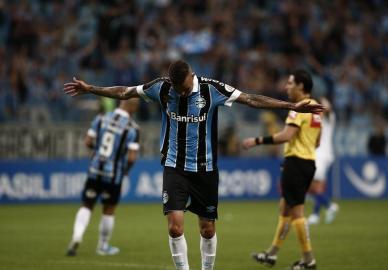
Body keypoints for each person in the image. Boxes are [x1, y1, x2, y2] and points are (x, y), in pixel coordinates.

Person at [64, 60, 324, 270]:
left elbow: (251, 99)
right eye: (177, 88)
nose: (180, 92)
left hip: (205, 169)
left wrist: (290, 106)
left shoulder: (212, 89)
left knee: (207, 229)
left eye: (184, 86)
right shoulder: (162, 88)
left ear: (192, 76)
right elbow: (124, 92)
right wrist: (91, 89)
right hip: (174, 167)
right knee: (175, 226)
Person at [242, 70, 321, 269]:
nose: (286, 87)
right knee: (284, 208)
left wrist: (257, 140)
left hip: (295, 162)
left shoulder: (299, 108)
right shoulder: (315, 109)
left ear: (301, 86)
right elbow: (318, 141)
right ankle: (272, 254)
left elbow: (286, 136)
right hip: (308, 161)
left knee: (297, 213)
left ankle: (309, 260)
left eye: (290, 83)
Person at [66, 98, 140, 256]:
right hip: (113, 174)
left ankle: (77, 236)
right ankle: (103, 246)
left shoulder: (101, 118)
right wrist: (126, 170)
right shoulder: (132, 128)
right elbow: (132, 157)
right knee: (108, 210)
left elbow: (87, 142)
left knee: (87, 205)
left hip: (95, 170)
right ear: (132, 107)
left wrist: (98, 151)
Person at [307, 97, 339, 225]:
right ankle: (317, 213)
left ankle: (329, 206)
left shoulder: (329, 118)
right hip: (319, 154)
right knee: (316, 186)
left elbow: (328, 110)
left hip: (322, 155)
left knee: (311, 185)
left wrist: (324, 104)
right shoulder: (316, 118)